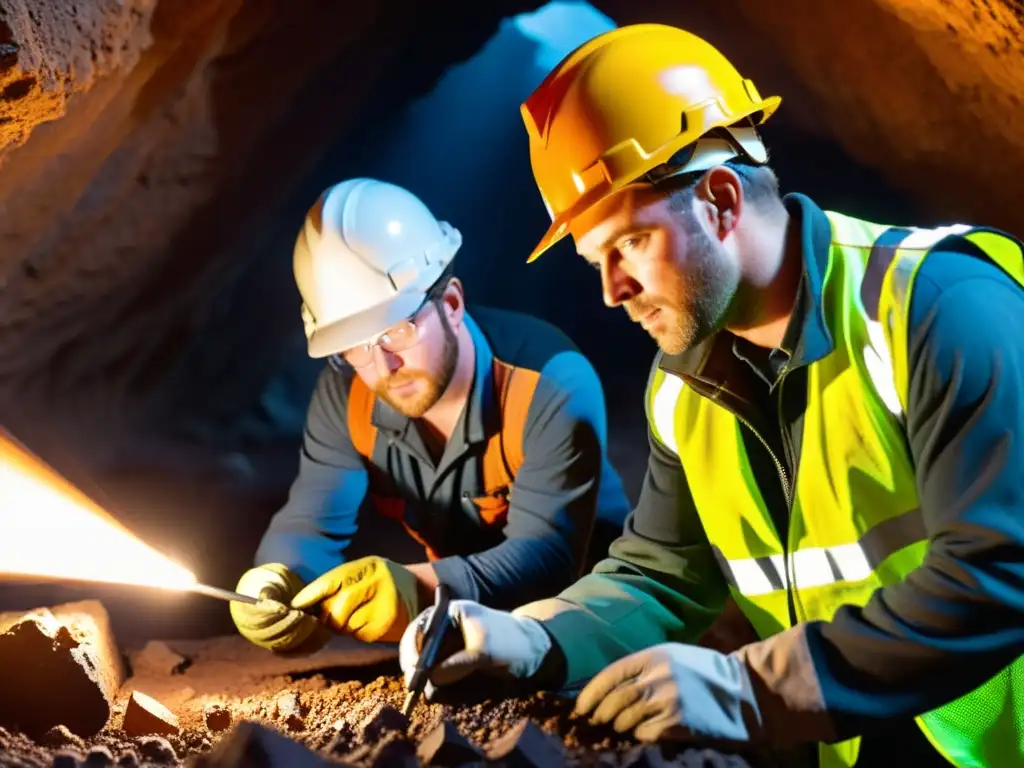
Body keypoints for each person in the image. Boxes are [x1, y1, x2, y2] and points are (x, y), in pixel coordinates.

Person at [398, 23, 1024, 768]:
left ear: (721, 200)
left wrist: (746, 690)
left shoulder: (938, 307)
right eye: (595, 259)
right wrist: (536, 636)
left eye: (627, 244)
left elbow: (999, 569)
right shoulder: (683, 384)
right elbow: (664, 573)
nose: (610, 290)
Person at [229, 177, 630, 655]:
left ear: (453, 304)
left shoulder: (549, 382)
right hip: (462, 630)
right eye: (355, 346)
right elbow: (311, 522)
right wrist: (279, 577)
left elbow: (546, 559)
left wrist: (416, 589)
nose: (382, 367)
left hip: (593, 623)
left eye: (397, 331)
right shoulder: (347, 394)